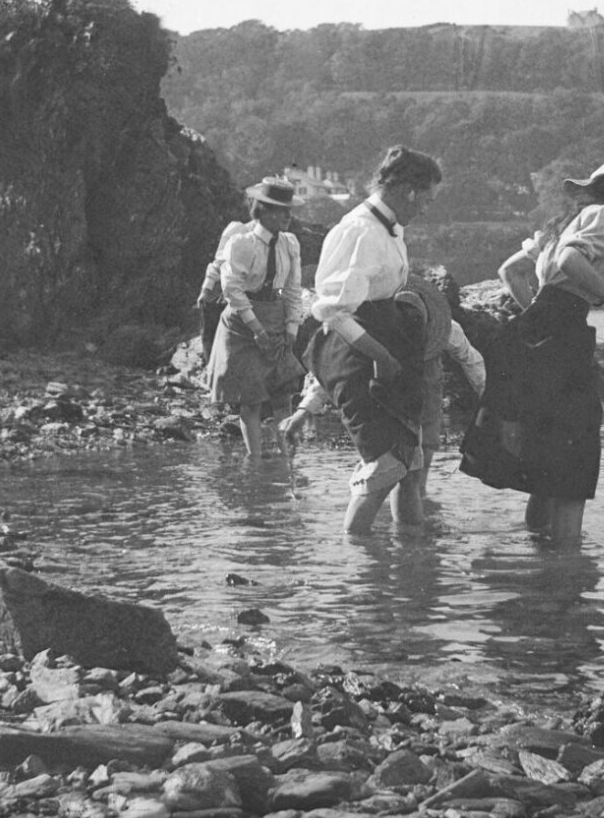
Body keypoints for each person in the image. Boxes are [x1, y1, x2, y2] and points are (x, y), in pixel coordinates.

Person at [461, 158, 604, 545]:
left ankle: (539, 549)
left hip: (539, 332)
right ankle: (567, 563)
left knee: (547, 453)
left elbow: (509, 272)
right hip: (563, 336)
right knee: (574, 457)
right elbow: (570, 259)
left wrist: (537, 313)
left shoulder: (566, 225)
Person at [305, 145, 443, 534]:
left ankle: (411, 549)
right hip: (358, 350)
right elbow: (334, 311)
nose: (425, 209)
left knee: (409, 464)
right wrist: (381, 356)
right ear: (409, 191)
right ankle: (357, 552)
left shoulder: (389, 228)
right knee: (385, 467)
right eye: (427, 200)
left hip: (388, 341)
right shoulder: (360, 231)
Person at [282, 272, 484, 506]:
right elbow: (336, 375)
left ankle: (409, 517)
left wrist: (488, 401)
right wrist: (303, 412)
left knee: (416, 478)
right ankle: (393, 517)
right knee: (386, 472)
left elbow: (472, 360)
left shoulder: (447, 329)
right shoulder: (371, 333)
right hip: (382, 399)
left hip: (425, 392)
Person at [207, 177, 306, 459]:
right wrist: (256, 328)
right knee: (250, 400)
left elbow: (293, 289)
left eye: (289, 210)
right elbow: (232, 289)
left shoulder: (290, 244)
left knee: (283, 395)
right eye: (281, 210)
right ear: (263, 211)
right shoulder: (242, 242)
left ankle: (288, 460)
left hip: (275, 317)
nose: (288, 216)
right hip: (242, 322)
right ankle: (255, 463)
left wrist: (292, 329)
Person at [196, 217, 251, 363]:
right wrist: (206, 290)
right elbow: (218, 263)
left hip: (238, 294)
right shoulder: (238, 229)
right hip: (219, 290)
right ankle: (211, 367)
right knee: (211, 333)